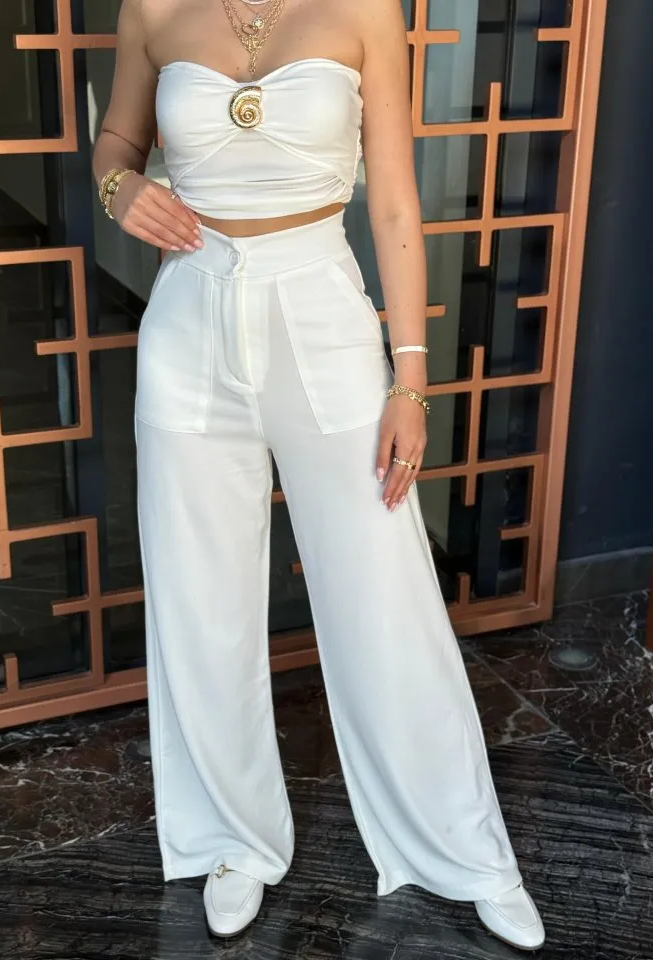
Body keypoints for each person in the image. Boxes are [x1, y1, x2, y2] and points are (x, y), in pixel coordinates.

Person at [93, 0, 545, 951]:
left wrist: (410, 378)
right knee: (200, 596)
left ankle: (463, 849)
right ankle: (235, 839)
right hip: (188, 323)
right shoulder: (154, 7)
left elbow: (394, 201)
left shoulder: (365, 8)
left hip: (324, 317)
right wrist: (118, 189)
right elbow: (116, 144)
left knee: (385, 591)